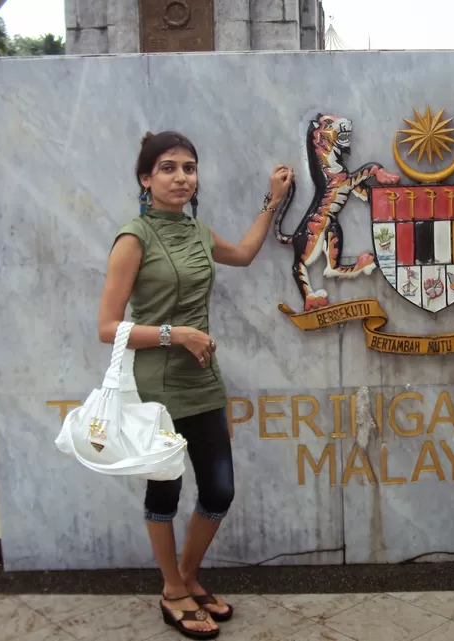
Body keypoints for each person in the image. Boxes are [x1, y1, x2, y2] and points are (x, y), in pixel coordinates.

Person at [97, 130, 293, 639]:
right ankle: (172, 590)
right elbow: (108, 328)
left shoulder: (199, 232)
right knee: (165, 490)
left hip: (203, 378)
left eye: (189, 167)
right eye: (168, 168)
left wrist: (272, 201)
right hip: (158, 386)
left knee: (219, 489)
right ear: (146, 179)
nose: (181, 177)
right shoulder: (133, 239)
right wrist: (175, 333)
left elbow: (244, 254)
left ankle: (185, 577)